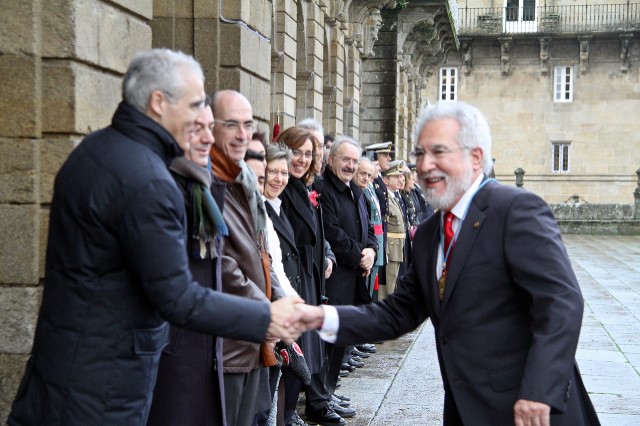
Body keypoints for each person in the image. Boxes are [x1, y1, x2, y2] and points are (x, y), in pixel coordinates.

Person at [8, 49, 302, 425]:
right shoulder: (147, 177)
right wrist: (264, 315)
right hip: (104, 385)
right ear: (159, 102)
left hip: (70, 367)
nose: (202, 118)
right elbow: (178, 297)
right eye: (196, 103)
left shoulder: (99, 149)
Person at [297, 101, 600, 426]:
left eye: (439, 152)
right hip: (466, 410)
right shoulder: (429, 234)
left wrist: (540, 391)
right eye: (420, 154)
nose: (425, 165)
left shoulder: (516, 210)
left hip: (531, 411)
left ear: (476, 157)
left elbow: (561, 302)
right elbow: (397, 312)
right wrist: (318, 317)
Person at [147, 100, 231, 425]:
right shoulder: (162, 188)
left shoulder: (202, 187)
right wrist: (263, 318)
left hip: (203, 344)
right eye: (198, 128)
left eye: (212, 127)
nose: (209, 138)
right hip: (173, 351)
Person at [209, 90, 287, 426]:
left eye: (247, 124)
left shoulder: (241, 182)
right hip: (227, 346)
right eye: (231, 125)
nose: (242, 134)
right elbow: (221, 263)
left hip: (252, 339)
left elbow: (262, 255)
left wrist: (280, 303)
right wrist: (269, 310)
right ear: (209, 126)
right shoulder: (208, 182)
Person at [277, 126, 344, 425]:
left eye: (307, 154)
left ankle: (301, 406)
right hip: (294, 278)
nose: (301, 159)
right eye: (296, 152)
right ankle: (288, 412)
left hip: (311, 275)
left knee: (307, 347)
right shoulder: (283, 187)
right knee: (293, 347)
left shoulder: (303, 186)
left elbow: (319, 233)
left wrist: (327, 255)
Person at [313, 136, 378, 421]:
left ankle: (328, 392)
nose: (350, 165)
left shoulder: (355, 190)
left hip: (353, 276)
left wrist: (372, 251)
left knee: (341, 339)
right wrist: (359, 256)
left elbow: (368, 227)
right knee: (326, 340)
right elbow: (332, 233)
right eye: (345, 160)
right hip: (335, 277)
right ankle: (318, 401)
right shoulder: (323, 188)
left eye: (354, 160)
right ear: (331, 160)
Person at [354, 157, 384, 300]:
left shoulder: (367, 191)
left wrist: (373, 247)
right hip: (360, 250)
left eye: (369, 175)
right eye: (363, 174)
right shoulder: (361, 192)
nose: (366, 178)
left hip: (373, 244)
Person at [379, 160, 406, 300]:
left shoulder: (394, 197)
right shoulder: (385, 198)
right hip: (390, 246)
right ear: (385, 180)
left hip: (397, 246)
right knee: (388, 285)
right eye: (396, 177)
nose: (400, 179)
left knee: (394, 282)